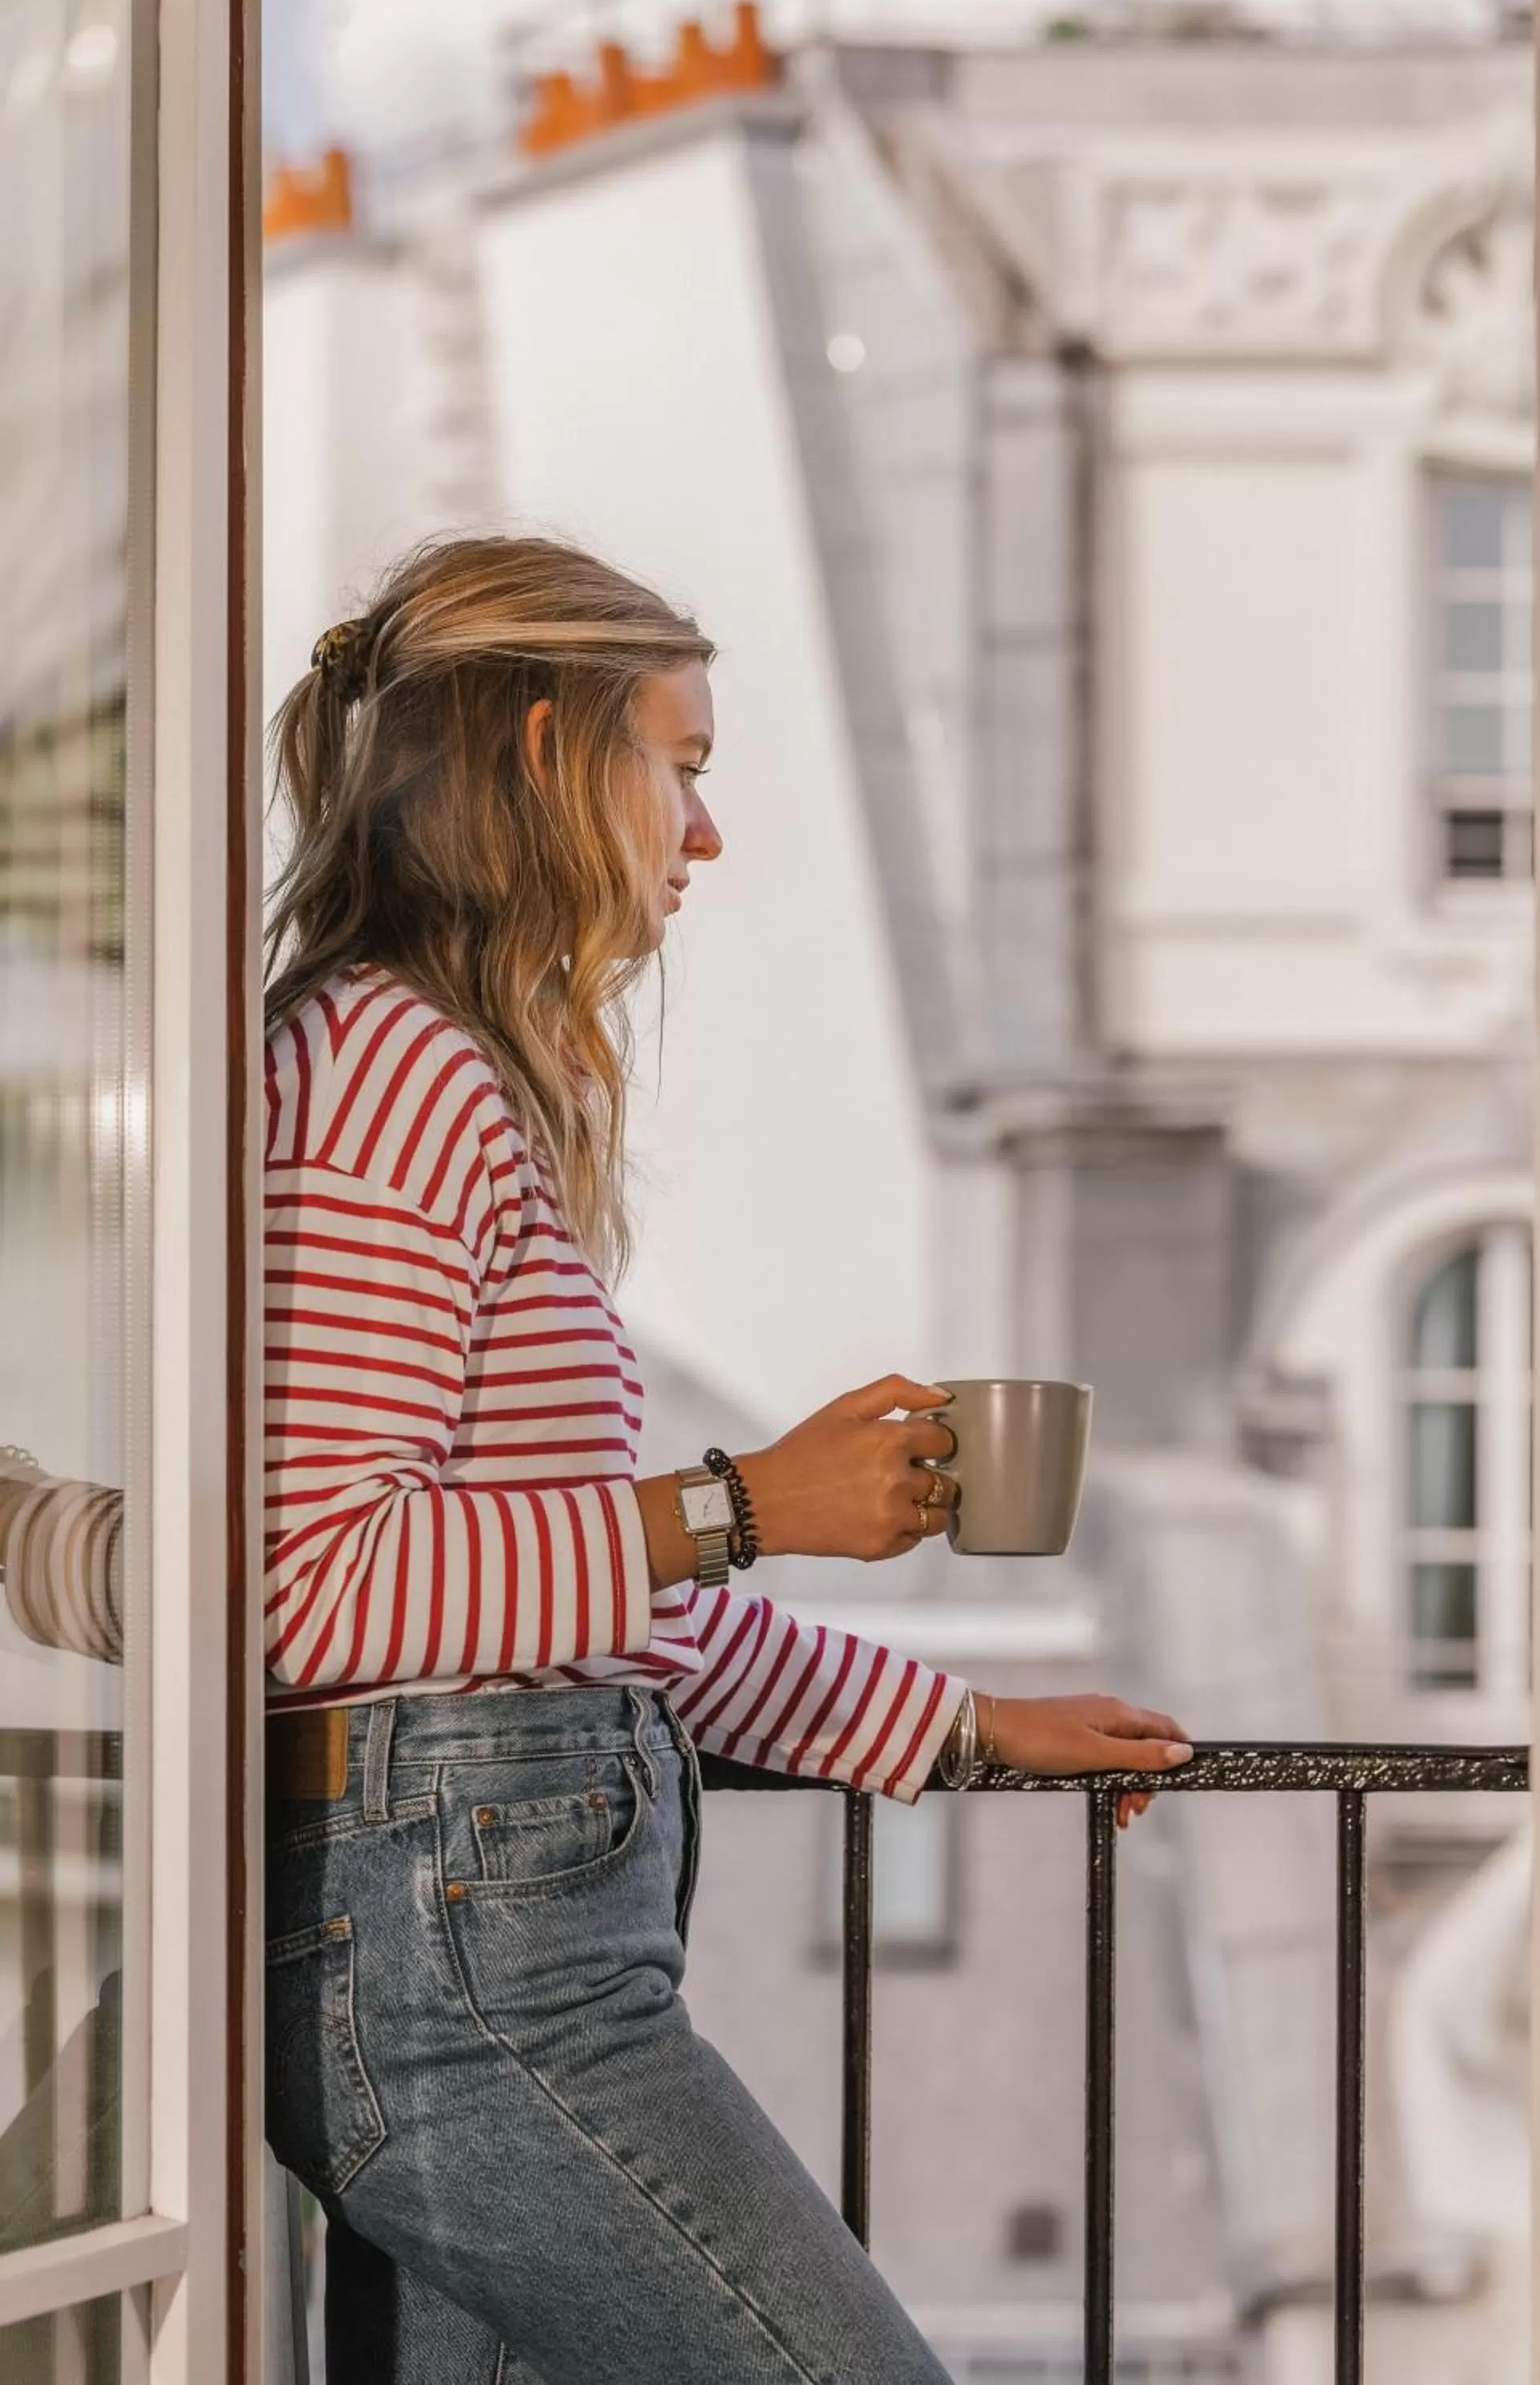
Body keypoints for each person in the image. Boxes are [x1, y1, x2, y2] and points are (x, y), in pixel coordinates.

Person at [261, 533, 1191, 2385]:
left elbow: (561, 1616)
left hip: (485, 1932)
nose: (705, 835)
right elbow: (311, 1590)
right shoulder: (386, 1075)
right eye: (679, 764)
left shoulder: (448, 1070)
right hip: (458, 1973)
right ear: (542, 754)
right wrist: (743, 1508)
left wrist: (948, 1723)